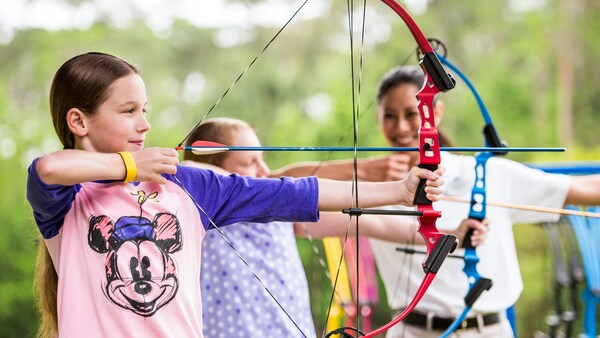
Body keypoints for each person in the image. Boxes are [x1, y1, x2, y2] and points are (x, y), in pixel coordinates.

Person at [25, 53, 446, 338]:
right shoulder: (68, 199)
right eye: (128, 111)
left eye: (145, 110)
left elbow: (294, 192)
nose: (144, 125)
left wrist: (400, 189)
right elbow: (47, 168)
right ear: (79, 121)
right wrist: (132, 167)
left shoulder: (186, 185)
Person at [272, 65, 600, 337]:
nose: (401, 127)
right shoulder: (372, 185)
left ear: (435, 112)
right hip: (411, 330)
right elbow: (271, 190)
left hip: (487, 330)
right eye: (389, 116)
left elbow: (587, 189)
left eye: (412, 114)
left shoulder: (487, 173)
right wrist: (361, 168)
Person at [181, 117, 488, 338]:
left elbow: (374, 222)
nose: (263, 170)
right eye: (250, 162)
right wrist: (362, 169)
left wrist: (452, 234)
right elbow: (194, 170)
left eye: (263, 159)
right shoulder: (195, 204)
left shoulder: (280, 210)